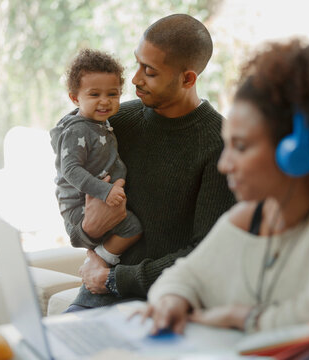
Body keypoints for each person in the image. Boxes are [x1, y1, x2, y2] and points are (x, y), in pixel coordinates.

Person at [145, 40, 309, 339]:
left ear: (294, 150)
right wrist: (173, 300)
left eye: (241, 147)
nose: (225, 164)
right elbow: (180, 278)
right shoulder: (249, 217)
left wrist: (238, 317)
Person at [65, 14, 236, 311]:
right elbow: (68, 184)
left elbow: (208, 253)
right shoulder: (113, 122)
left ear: (187, 78)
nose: (135, 79)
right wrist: (87, 233)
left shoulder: (221, 144)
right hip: (97, 292)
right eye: (137, 63)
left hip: (166, 301)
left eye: (150, 71)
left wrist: (114, 279)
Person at [50, 49, 142, 267]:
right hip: (79, 205)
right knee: (132, 229)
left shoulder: (99, 123)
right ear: (75, 98)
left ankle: (100, 259)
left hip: (98, 199)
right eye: (94, 95)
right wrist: (105, 191)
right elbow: (70, 170)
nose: (104, 101)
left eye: (112, 94)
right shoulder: (77, 130)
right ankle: (99, 260)